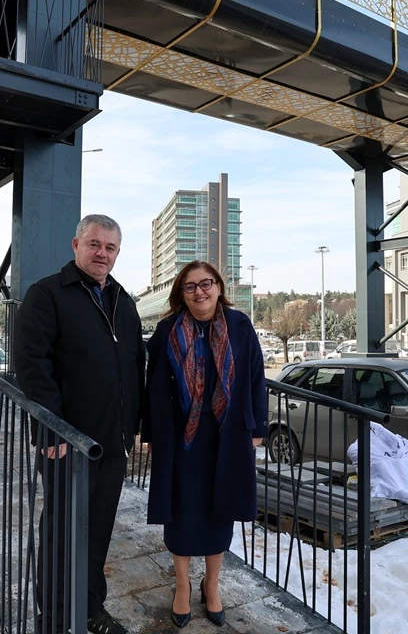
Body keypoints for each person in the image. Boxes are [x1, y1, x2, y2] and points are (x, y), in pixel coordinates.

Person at [14, 214, 144, 634]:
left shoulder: (123, 301)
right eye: (94, 244)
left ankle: (89, 607)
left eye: (110, 247)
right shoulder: (47, 294)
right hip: (68, 442)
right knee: (63, 532)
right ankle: (53, 618)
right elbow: (32, 365)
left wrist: (135, 425)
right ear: (76, 245)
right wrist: (51, 428)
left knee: (98, 530)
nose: (102, 253)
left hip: (113, 442)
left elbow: (134, 367)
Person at [141, 260, 268, 628]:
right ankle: (182, 585)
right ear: (181, 294)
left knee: (220, 509)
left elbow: (256, 377)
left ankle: (211, 585)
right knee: (180, 511)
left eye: (206, 283)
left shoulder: (240, 325)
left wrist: (258, 427)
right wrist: (151, 434)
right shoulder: (166, 330)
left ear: (219, 287)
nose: (200, 291)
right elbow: (153, 387)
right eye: (190, 286)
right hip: (180, 438)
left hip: (227, 436)